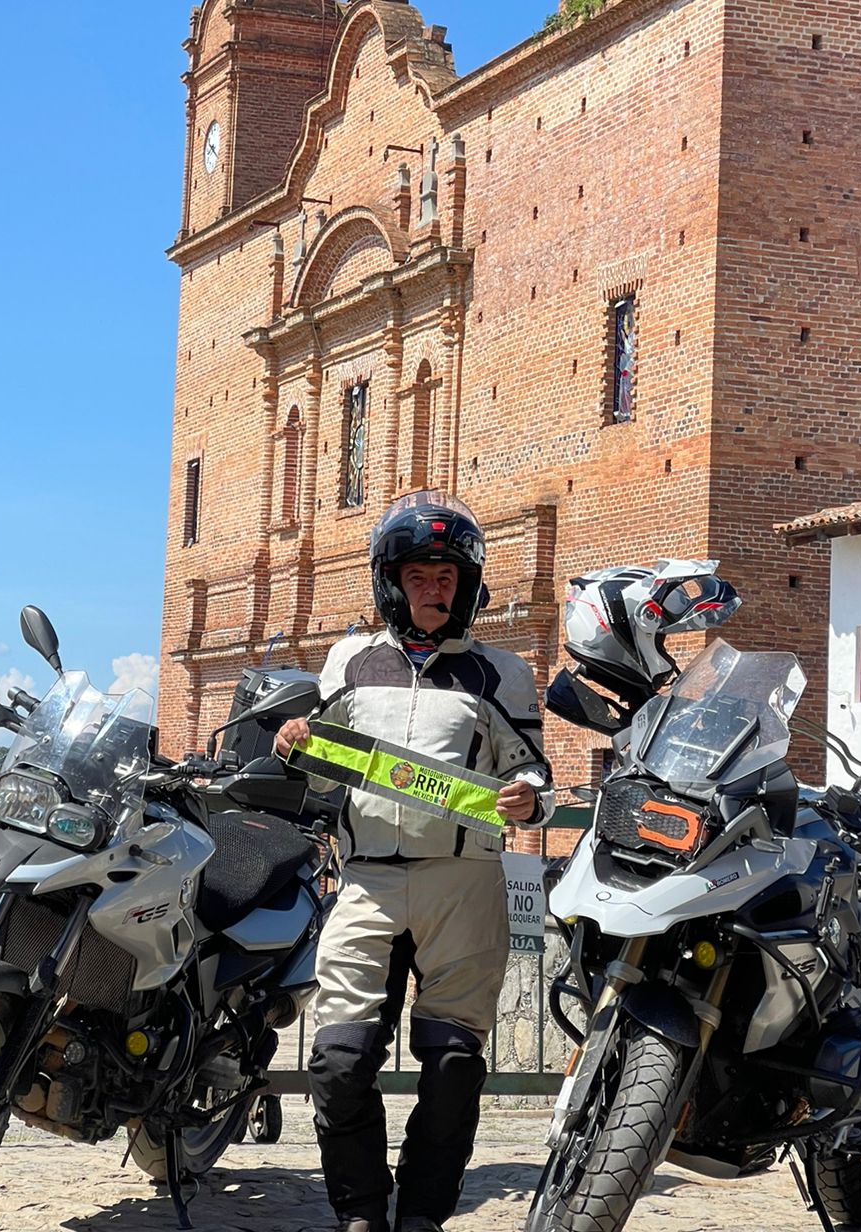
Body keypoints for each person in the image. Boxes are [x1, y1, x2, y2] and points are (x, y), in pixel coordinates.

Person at [275, 490, 554, 1232]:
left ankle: (422, 1216)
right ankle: (359, 1212)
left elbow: (535, 774)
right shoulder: (349, 660)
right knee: (337, 1061)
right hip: (365, 879)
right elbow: (323, 770)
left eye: (448, 579)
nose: (434, 591)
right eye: (419, 578)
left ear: (468, 588)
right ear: (390, 584)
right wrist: (299, 742)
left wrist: (531, 799)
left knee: (454, 1064)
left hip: (462, 884)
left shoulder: (503, 674)